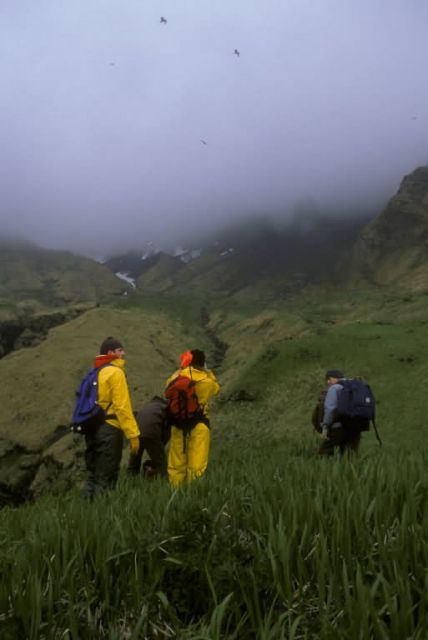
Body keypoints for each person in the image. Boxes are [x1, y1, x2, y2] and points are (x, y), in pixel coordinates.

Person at [83, 336, 140, 498]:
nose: (124, 353)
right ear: (111, 353)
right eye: (120, 350)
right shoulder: (116, 373)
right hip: (109, 430)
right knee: (106, 478)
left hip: (91, 429)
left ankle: (84, 514)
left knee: (92, 476)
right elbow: (123, 407)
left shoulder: (93, 373)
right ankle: (101, 518)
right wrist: (133, 435)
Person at [166, 349, 220, 487]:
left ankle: (175, 492)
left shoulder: (176, 378)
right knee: (197, 464)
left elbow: (167, 386)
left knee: (176, 464)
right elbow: (216, 388)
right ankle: (193, 494)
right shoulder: (207, 382)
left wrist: (182, 369)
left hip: (178, 424)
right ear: (203, 363)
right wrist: (208, 372)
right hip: (199, 425)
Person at [318, 369, 362, 456]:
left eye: (328, 380)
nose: (328, 382)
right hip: (356, 427)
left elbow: (330, 409)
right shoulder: (356, 386)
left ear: (333, 378)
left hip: (338, 427)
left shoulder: (334, 388)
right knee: (349, 456)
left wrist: (325, 427)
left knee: (324, 453)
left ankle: (326, 469)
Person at [128, 396, 171, 478]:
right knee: (161, 462)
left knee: (134, 460)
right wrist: (160, 447)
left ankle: (130, 480)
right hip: (150, 432)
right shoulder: (165, 408)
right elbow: (166, 432)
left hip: (135, 432)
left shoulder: (149, 405)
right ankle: (163, 481)